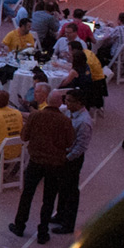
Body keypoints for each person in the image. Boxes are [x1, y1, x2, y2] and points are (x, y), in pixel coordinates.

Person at [9, 104, 76, 245]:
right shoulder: (65, 121)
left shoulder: (35, 116)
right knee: (49, 199)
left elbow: (24, 136)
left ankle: (20, 225)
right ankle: (43, 232)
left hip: (36, 161)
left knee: (27, 194)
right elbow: (70, 142)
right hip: (55, 164)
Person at [52, 89, 94, 234]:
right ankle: (60, 215)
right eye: (66, 99)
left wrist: (66, 159)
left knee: (70, 191)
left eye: (69, 101)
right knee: (62, 188)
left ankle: (68, 224)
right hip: (64, 154)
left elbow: (81, 146)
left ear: (79, 103)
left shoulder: (84, 122)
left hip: (72, 159)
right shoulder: (68, 113)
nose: (66, 103)